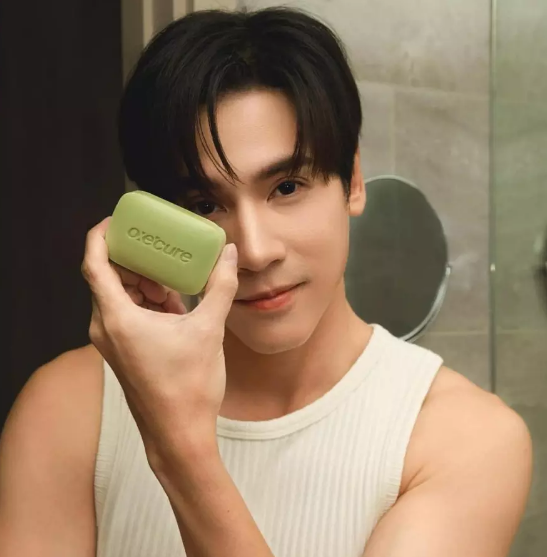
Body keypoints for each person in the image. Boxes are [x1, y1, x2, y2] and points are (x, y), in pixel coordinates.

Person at [0, 7, 533, 557]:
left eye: (287, 187)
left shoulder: (467, 438)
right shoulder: (69, 409)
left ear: (351, 181)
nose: (254, 252)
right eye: (204, 205)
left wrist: (178, 446)